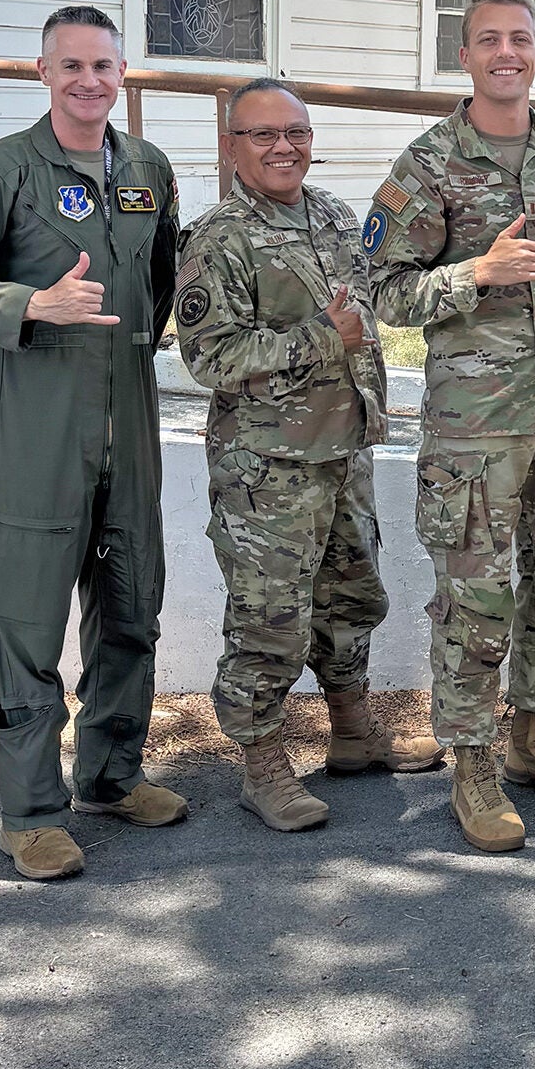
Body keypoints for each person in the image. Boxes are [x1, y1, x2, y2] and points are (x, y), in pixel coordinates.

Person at [0, 6, 187, 881]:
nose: (88, 81)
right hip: (41, 427)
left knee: (131, 601)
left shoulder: (149, 169)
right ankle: (30, 812)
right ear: (42, 73)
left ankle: (111, 776)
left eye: (104, 66)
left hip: (132, 424)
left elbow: (159, 282)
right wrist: (31, 304)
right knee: (27, 622)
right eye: (70, 66)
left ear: (122, 76)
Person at [365, 0, 535, 852]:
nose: (505, 52)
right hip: (476, 426)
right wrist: (476, 271)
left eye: (520, 39)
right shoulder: (427, 163)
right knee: (474, 600)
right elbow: (386, 291)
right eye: (487, 40)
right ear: (463, 56)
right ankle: (471, 765)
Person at [175, 81, 441, 833]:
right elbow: (209, 355)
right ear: (232, 148)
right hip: (267, 469)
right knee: (268, 622)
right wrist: (322, 338)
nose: (283, 146)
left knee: (350, 598)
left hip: (343, 450)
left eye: (295, 131)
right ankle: (262, 767)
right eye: (263, 135)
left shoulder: (329, 214)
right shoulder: (218, 238)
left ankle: (353, 732)